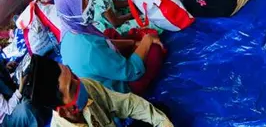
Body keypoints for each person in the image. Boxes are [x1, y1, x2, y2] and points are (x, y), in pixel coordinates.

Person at [55, 0, 164, 95]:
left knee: (109, 33)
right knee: (154, 49)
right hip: (117, 89)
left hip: (99, 64)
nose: (89, 3)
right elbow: (131, 71)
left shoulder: (70, 31)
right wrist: (147, 40)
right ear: (72, 12)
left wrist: (133, 43)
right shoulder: (90, 49)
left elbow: (104, 42)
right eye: (83, 2)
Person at [22, 54, 173, 127]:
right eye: (72, 87)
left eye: (73, 74)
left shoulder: (87, 86)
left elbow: (128, 104)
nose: (79, 82)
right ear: (64, 111)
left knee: (159, 112)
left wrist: (162, 123)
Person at [0, 54, 46, 127]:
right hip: (5, 118)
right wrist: (20, 88)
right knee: (27, 107)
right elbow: (8, 109)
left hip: (11, 97)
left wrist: (6, 69)